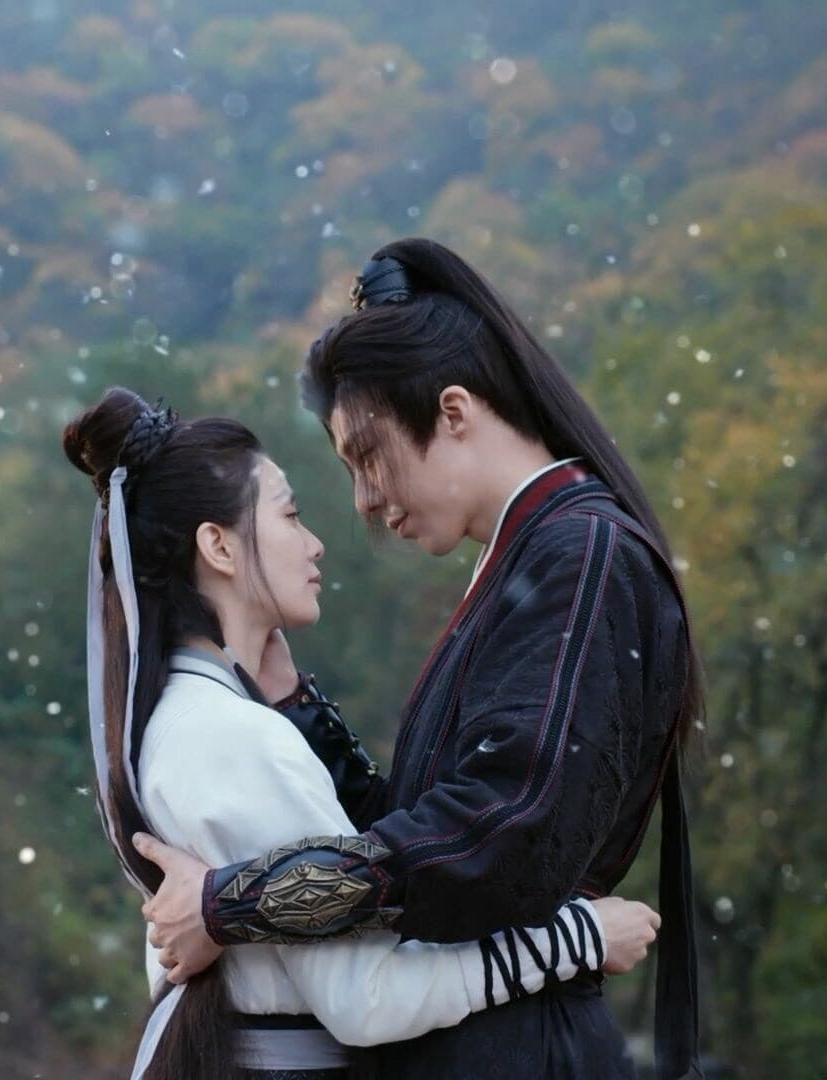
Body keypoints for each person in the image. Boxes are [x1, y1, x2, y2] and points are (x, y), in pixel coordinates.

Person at [135, 238, 706, 1078]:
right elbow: (430, 828)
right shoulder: (535, 557)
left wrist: (234, 903)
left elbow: (498, 833)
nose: (365, 500)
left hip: (518, 1048)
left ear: (454, 412)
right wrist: (299, 712)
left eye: (369, 457)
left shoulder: (581, 555)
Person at [63, 387, 663, 1079]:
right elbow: (370, 999)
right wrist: (578, 938)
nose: (315, 543)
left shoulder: (183, 718)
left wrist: (298, 712)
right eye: (290, 515)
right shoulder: (235, 738)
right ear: (218, 546)